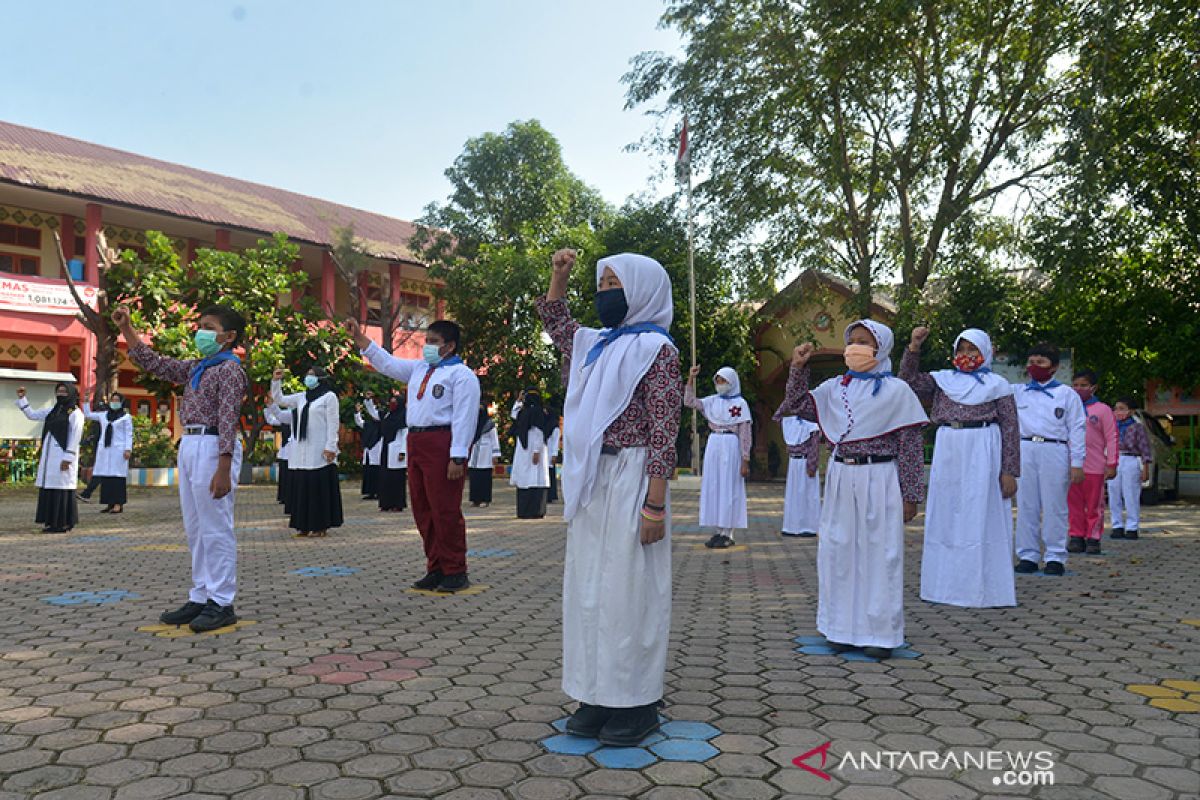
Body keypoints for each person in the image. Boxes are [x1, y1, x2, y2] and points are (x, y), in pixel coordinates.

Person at [537, 248, 682, 746]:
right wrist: (560, 275)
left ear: (642, 289)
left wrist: (656, 502)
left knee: (629, 592)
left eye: (614, 285)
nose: (605, 296)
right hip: (593, 477)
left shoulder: (657, 350)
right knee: (589, 590)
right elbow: (557, 321)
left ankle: (637, 703)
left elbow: (666, 430)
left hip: (635, 476)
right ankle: (594, 695)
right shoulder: (595, 345)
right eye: (601, 287)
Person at [781, 322, 928, 659]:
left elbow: (909, 445)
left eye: (865, 342)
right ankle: (840, 628)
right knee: (838, 550)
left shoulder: (897, 391)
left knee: (880, 554)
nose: (855, 348)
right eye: (852, 342)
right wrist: (798, 368)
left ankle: (880, 633)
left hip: (881, 476)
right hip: (841, 476)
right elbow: (798, 405)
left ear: (881, 348)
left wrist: (911, 494)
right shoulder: (834, 387)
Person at [112, 303, 248, 633]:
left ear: (228, 337)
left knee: (216, 526)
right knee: (196, 527)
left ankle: (221, 601)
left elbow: (229, 417)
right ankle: (201, 595)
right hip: (191, 444)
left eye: (209, 326)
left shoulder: (230, 369)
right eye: (200, 325)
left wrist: (224, 465)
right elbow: (156, 364)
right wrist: (127, 328)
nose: (201, 331)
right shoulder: (199, 367)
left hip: (215, 446)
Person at [350, 317, 481, 593]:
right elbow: (388, 363)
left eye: (434, 342)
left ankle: (455, 569)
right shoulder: (421, 369)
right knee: (423, 508)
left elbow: (464, 418)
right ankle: (435, 566)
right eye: (427, 341)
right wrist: (362, 340)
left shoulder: (461, 375)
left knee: (444, 508)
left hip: (442, 440)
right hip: (417, 440)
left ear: (450, 346)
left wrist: (458, 456)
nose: (427, 347)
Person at [901, 327, 1019, 608]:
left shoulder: (998, 385)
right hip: (949, 446)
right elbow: (907, 382)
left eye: (973, 350)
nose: (966, 355)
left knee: (981, 514)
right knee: (948, 513)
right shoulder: (942, 380)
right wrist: (914, 348)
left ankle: (985, 589)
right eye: (961, 349)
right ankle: (943, 588)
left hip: (984, 447)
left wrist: (1009, 470)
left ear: (986, 352)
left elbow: (1011, 428)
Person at [1012, 344, 1087, 575]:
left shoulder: (1067, 395)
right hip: (1025, 448)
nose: (1035, 367)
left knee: (1055, 505)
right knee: (1026, 505)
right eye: (1031, 361)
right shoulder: (1017, 392)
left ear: (1054, 367)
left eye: (1041, 362)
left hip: (1054, 449)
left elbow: (1077, 429)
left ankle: (1055, 556)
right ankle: (1028, 555)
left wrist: (1077, 463)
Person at [271, 366, 343, 538]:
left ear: (320, 378)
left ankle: (320, 526)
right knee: (302, 487)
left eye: (312, 375)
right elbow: (280, 399)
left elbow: (333, 423)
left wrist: (331, 446)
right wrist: (276, 381)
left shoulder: (329, 397)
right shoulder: (301, 397)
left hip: (319, 449)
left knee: (318, 488)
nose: (308, 378)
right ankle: (302, 526)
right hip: (301, 450)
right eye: (307, 375)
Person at [685, 366, 751, 548]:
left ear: (732, 382)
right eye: (718, 381)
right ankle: (718, 531)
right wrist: (691, 378)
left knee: (729, 486)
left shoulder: (741, 404)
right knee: (714, 485)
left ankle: (728, 532)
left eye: (724, 381)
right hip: (714, 444)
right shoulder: (711, 402)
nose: (720, 385)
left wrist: (745, 459)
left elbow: (745, 434)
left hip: (731, 445)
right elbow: (689, 401)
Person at [16, 383, 85, 533]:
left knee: (62, 489)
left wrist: (68, 457)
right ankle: (51, 522)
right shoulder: (53, 411)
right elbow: (32, 415)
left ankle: (63, 523)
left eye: (64, 391)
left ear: (71, 393)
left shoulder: (75, 413)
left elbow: (75, 436)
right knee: (50, 488)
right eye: (58, 391)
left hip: (63, 456)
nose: (60, 394)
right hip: (49, 457)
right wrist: (22, 399)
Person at [1067, 369, 1118, 555]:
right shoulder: (1068, 408)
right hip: (1072, 466)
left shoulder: (1102, 410)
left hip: (1095, 467)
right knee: (1074, 504)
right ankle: (1076, 536)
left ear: (1093, 388)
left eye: (1083, 385)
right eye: (1076, 385)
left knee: (1094, 505)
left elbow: (1112, 437)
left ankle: (1093, 537)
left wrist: (1112, 463)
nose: (1079, 389)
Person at [81, 392, 135, 514]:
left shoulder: (126, 417)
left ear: (121, 402)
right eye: (112, 400)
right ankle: (109, 504)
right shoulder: (104, 415)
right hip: (105, 450)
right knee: (107, 478)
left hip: (119, 451)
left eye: (117, 400)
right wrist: (85, 402)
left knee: (117, 478)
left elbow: (129, 434)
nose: (114, 402)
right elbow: (88, 414)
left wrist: (128, 449)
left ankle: (118, 504)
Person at [1108, 397, 1152, 540]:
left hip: (1131, 459)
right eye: (1116, 409)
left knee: (1131, 494)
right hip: (1114, 459)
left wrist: (1145, 468)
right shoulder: (1111, 425)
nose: (1118, 412)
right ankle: (1117, 526)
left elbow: (1145, 448)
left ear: (1131, 411)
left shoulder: (1137, 426)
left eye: (1122, 408)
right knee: (1114, 493)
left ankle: (1132, 527)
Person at [775, 409, 821, 538]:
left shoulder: (812, 425)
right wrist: (788, 404)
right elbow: (776, 416)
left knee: (808, 495)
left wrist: (812, 465)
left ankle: (809, 527)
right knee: (793, 494)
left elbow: (814, 447)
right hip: (793, 462)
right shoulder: (790, 422)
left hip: (806, 462)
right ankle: (791, 526)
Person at [510, 388, 554, 519]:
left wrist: (536, 451)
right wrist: (518, 401)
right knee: (526, 479)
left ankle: (535, 510)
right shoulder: (524, 412)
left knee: (534, 478)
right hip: (524, 450)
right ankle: (525, 511)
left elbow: (538, 433)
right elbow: (514, 414)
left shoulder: (537, 413)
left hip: (534, 450)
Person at [377, 393, 409, 513]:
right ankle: (386, 503)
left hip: (396, 449)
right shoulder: (388, 414)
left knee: (397, 478)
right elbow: (375, 415)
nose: (392, 404)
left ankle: (397, 503)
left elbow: (404, 435)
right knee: (385, 477)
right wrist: (368, 401)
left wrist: (402, 451)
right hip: (386, 447)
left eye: (395, 402)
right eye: (391, 402)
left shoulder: (403, 416)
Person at [467, 402, 501, 507]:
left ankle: (485, 499)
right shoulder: (472, 423)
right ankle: (475, 499)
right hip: (474, 453)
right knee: (474, 477)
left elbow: (494, 440)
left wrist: (495, 455)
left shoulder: (490, 424)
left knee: (485, 478)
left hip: (486, 453)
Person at [262, 402, 293, 512]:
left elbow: (272, 418)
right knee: (285, 476)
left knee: (290, 478)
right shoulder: (284, 419)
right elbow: (271, 420)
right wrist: (268, 406)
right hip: (285, 451)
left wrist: (270, 406)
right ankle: (284, 497)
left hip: (294, 453)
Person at [354, 392, 383, 501]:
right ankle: (370, 492)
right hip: (368, 450)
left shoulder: (381, 424)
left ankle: (378, 492)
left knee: (376, 471)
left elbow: (373, 411)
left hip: (377, 449)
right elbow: (359, 422)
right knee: (368, 471)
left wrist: (369, 401)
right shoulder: (369, 424)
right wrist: (357, 412)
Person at [546, 398, 563, 503]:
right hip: (545, 453)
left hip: (550, 454)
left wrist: (554, 455)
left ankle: (551, 495)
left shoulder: (555, 428)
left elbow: (555, 443)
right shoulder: (545, 427)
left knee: (551, 475)